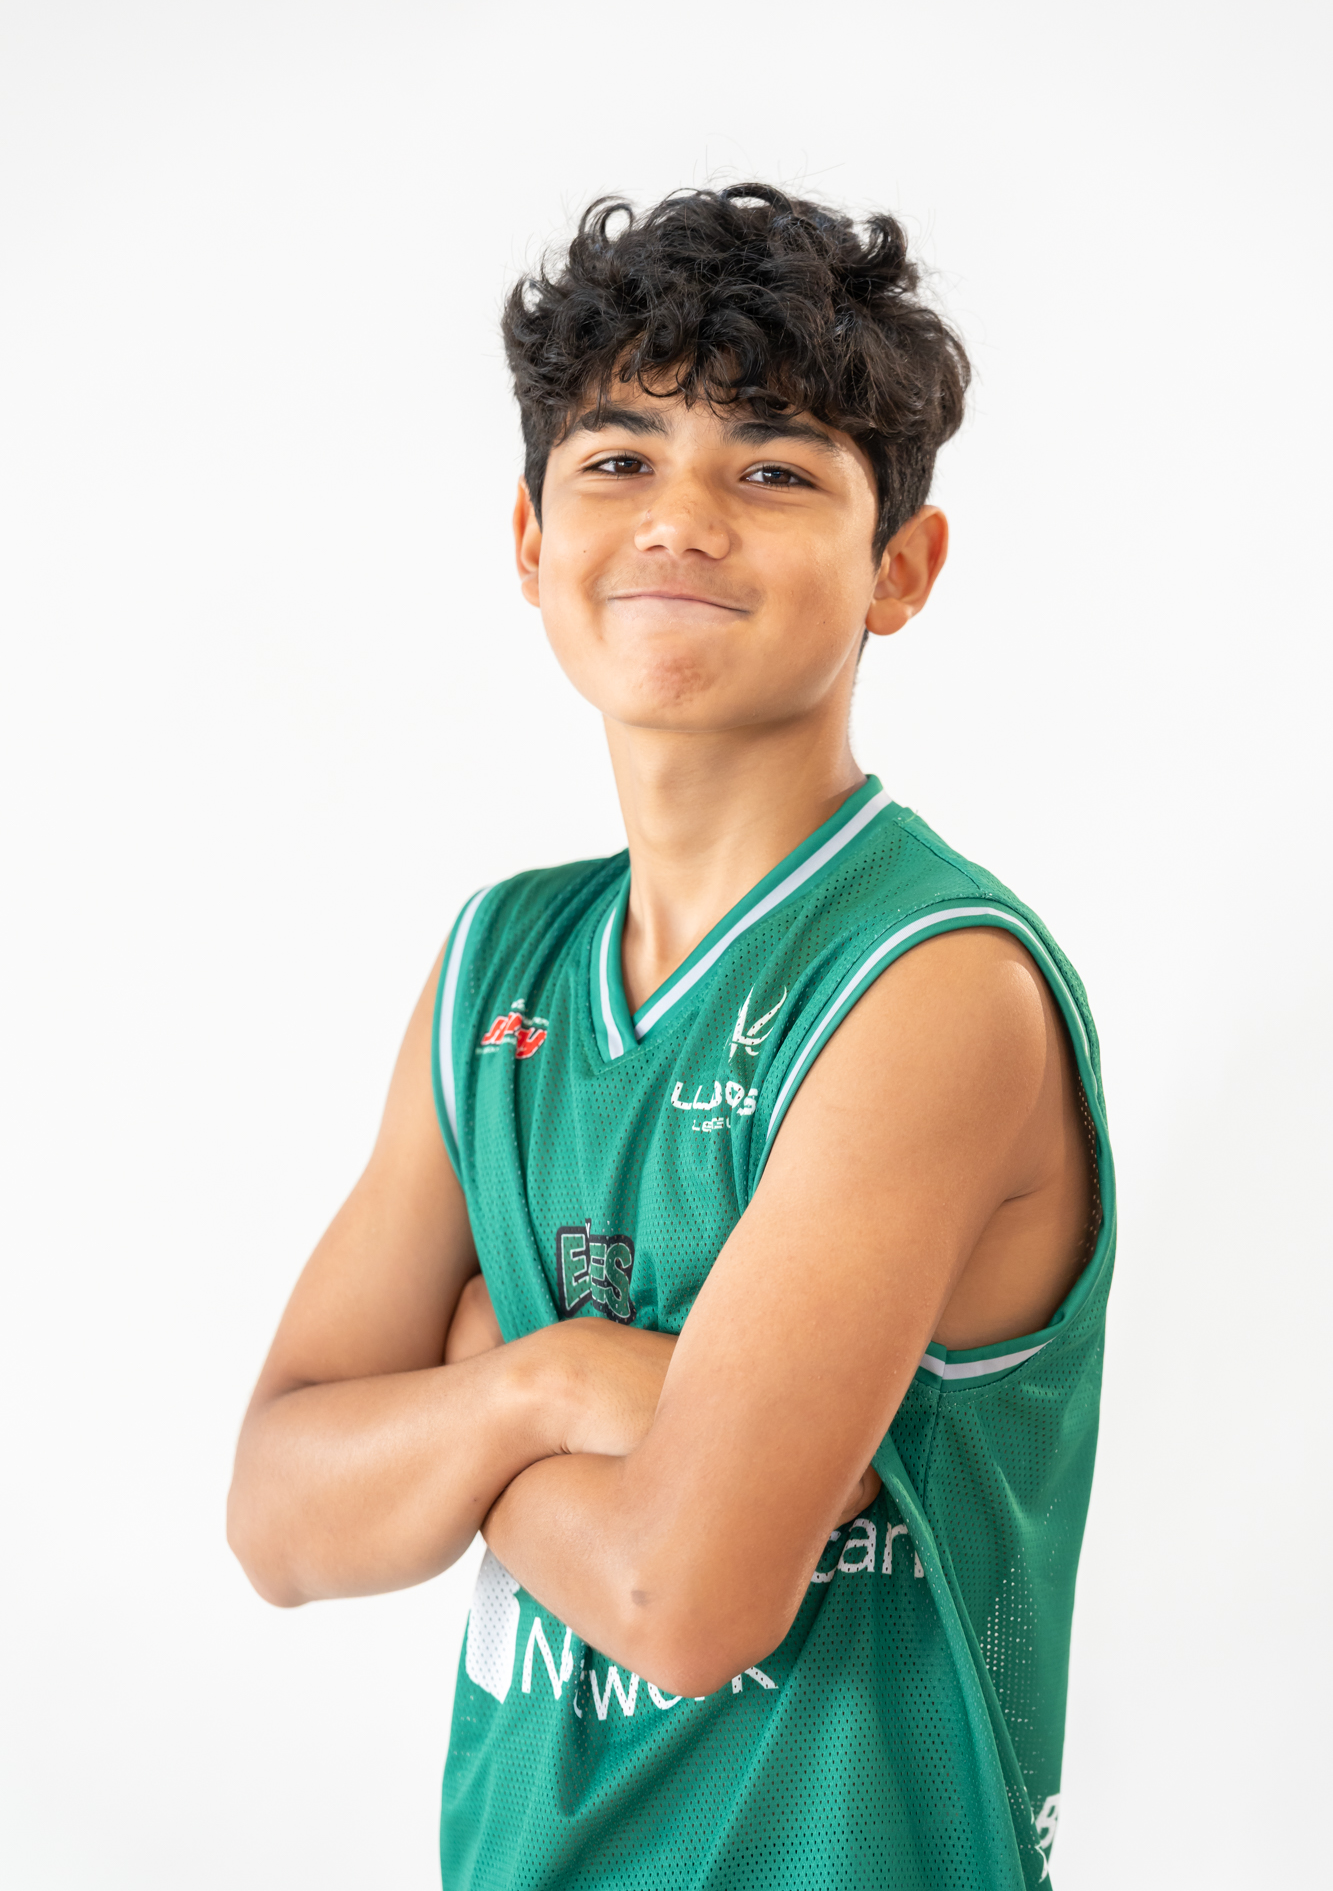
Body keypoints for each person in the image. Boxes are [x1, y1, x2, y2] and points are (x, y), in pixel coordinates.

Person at [228, 184, 1113, 1890]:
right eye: (620, 459)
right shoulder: (500, 961)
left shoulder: (928, 984)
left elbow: (682, 1597)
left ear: (900, 568)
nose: (681, 521)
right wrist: (548, 1380)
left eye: (773, 470)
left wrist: (454, 1404)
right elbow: (275, 1515)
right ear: (528, 539)